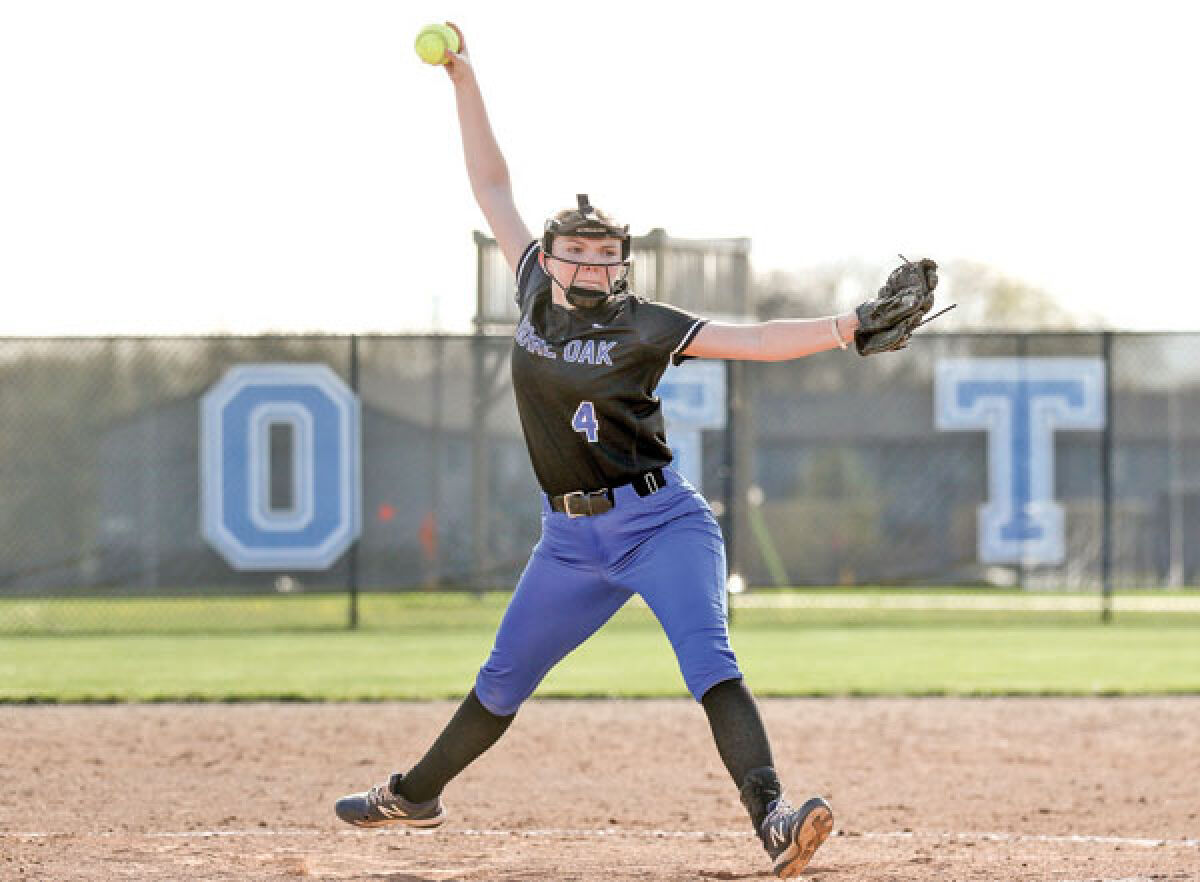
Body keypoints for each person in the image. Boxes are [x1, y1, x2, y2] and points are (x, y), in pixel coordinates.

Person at [336, 23, 934, 878]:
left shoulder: (643, 324)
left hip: (661, 523)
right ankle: (413, 795)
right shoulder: (533, 291)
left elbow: (755, 340)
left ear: (620, 266)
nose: (589, 266)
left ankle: (773, 816)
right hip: (570, 543)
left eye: (605, 255)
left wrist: (847, 327)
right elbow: (490, 183)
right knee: (500, 682)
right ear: (549, 257)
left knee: (708, 660)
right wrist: (463, 80)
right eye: (575, 254)